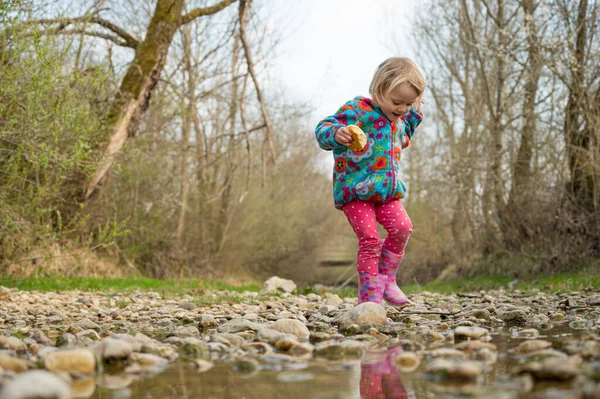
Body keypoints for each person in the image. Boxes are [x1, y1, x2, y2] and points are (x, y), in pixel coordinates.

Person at [315, 57, 426, 306]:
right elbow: (323, 129)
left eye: (408, 104)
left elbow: (405, 135)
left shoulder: (399, 122)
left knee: (402, 228)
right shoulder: (357, 110)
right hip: (355, 191)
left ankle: (387, 280)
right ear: (379, 90)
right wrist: (336, 133)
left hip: (386, 192)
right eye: (397, 102)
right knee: (370, 240)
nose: (401, 109)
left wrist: (414, 112)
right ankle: (369, 296)